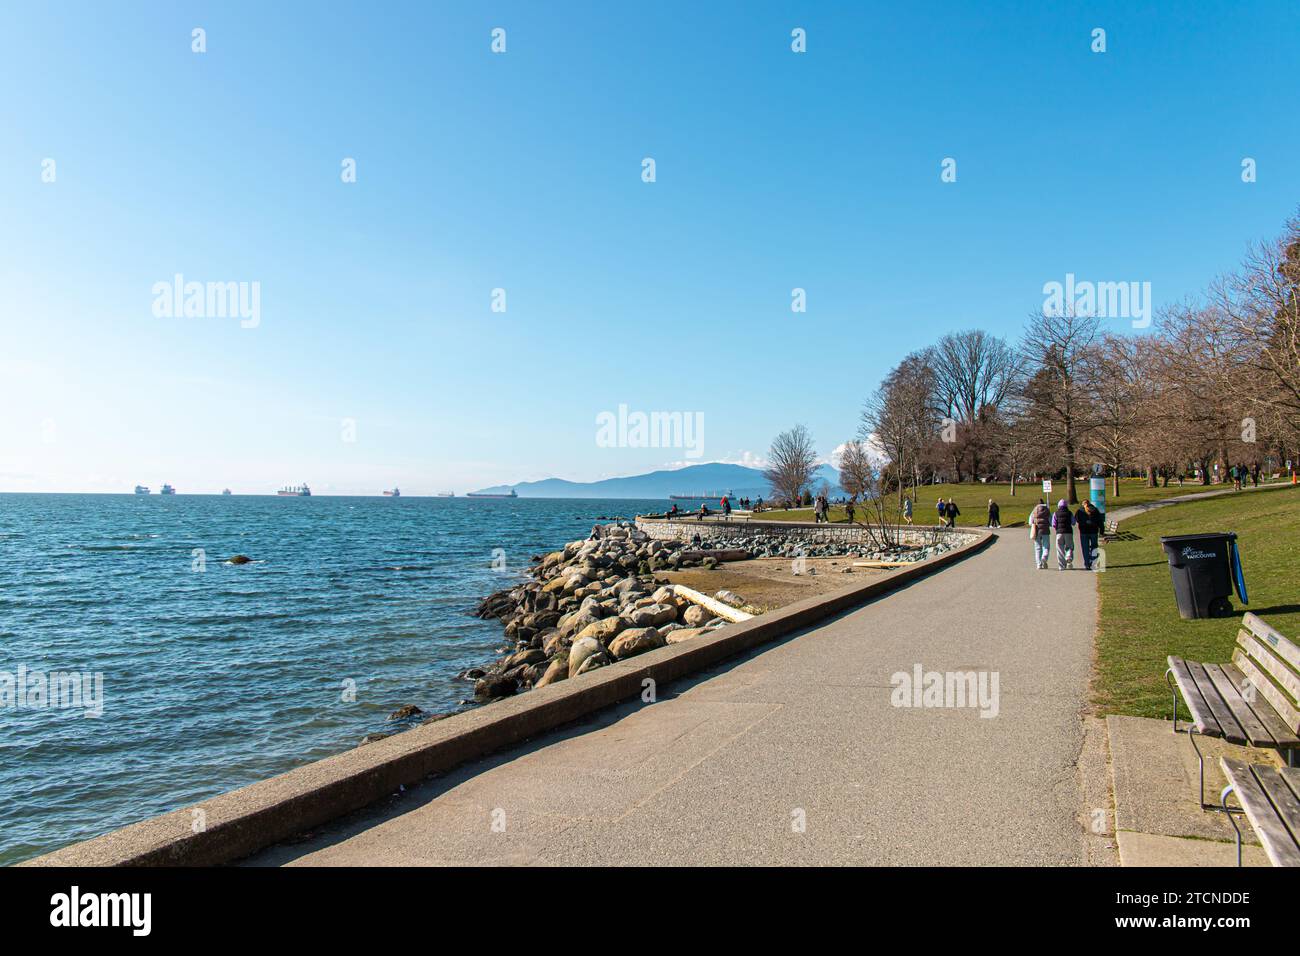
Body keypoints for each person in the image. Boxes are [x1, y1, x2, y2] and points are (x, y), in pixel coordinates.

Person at [1075, 499, 1103, 571]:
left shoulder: (1079, 511)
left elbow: (1076, 519)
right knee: (1094, 547)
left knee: (1085, 548)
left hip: (1084, 532)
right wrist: (1102, 531)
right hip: (1093, 531)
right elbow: (1100, 521)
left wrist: (1083, 523)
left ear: (1083, 504)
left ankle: (1087, 564)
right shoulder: (1095, 510)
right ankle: (1093, 562)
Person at [1050, 498, 1074, 570]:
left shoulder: (1055, 513)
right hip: (1068, 532)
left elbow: (1053, 524)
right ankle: (1068, 556)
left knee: (1060, 549)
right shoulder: (1070, 513)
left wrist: (1057, 528)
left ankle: (1061, 566)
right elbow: (1073, 522)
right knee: (1069, 546)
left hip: (1059, 533)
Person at [1029, 498, 1051, 569]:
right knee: (1046, 546)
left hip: (1037, 530)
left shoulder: (1034, 510)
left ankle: (1039, 564)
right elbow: (1050, 520)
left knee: (1037, 548)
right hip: (1045, 530)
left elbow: (1030, 521)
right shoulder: (1047, 510)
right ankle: (1044, 557)